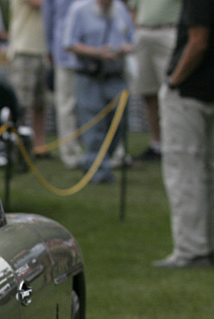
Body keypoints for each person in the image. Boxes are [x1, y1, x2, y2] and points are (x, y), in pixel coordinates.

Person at [152, 0, 214, 268]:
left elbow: (198, 42)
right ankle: (203, 246)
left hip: (188, 92)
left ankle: (191, 250)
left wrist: (174, 81)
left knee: (185, 172)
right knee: (206, 172)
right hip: (210, 90)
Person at [63, 0, 134, 183]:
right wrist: (96, 53)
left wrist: (125, 48)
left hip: (115, 75)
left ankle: (97, 162)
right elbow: (69, 43)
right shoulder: (79, 10)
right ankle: (98, 171)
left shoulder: (120, 10)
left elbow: (132, 40)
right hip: (89, 75)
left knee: (118, 123)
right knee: (93, 124)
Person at [128, 0, 182, 160]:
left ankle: (175, 143)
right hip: (143, 34)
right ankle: (157, 144)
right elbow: (133, 11)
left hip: (169, 30)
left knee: (172, 90)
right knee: (148, 93)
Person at [44, 0, 85, 168]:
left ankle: (103, 153)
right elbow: (48, 17)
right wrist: (50, 47)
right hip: (65, 52)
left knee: (96, 105)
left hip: (96, 53)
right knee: (66, 105)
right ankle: (70, 154)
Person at [8, 0, 49, 152]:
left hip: (42, 50)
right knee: (21, 103)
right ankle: (17, 145)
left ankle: (39, 146)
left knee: (40, 103)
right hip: (24, 50)